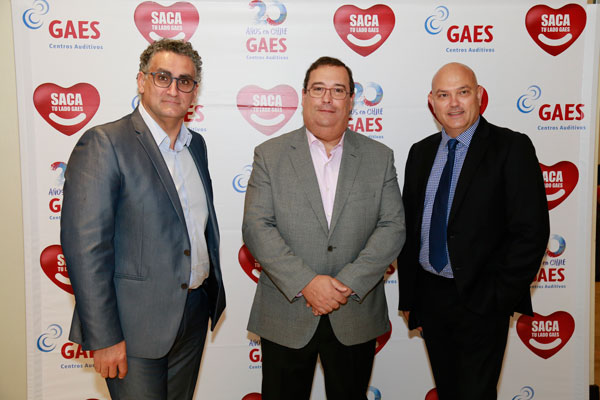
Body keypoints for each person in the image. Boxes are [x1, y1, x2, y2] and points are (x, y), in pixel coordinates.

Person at [60, 39, 225, 400]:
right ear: (141, 81)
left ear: (194, 91)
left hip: (193, 315)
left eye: (185, 81)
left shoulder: (196, 146)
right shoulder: (105, 143)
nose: (174, 89)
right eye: (163, 77)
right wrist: (104, 337)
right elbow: (86, 249)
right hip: (132, 327)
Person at [242, 56, 406, 400]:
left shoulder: (379, 157)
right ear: (304, 96)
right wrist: (307, 283)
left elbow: (392, 227)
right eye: (318, 89)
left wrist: (345, 284)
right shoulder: (270, 154)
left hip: (354, 313)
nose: (327, 98)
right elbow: (257, 227)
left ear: (351, 100)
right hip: (286, 313)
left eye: (338, 90)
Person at [398, 62, 550, 400]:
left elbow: (531, 231)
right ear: (431, 102)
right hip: (431, 298)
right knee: (449, 392)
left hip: (482, 301)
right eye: (443, 95)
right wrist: (410, 298)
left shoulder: (511, 147)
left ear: (479, 95)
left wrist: (497, 298)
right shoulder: (420, 152)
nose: (453, 103)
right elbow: (409, 228)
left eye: (463, 92)